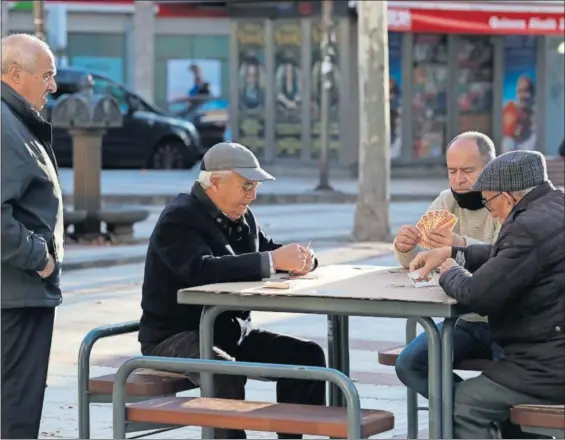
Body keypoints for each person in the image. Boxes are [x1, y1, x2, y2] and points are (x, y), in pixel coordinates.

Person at [139, 142, 326, 439]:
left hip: (231, 332)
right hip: (175, 336)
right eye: (246, 186)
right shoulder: (178, 217)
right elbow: (201, 270)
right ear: (215, 182)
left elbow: (269, 251)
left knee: (307, 356)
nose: (252, 195)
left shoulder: (243, 216)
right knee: (225, 372)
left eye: (255, 187)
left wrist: (305, 259)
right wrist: (272, 261)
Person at [410, 150, 565, 439]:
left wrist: (449, 271)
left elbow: (476, 295)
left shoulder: (525, 228)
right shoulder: (554, 207)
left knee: (466, 401)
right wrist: (455, 252)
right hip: (549, 350)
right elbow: (507, 256)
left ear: (509, 197)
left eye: (489, 200)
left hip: (546, 366)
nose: (488, 208)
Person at [393, 131, 502, 399]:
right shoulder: (447, 201)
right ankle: (466, 416)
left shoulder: (505, 200)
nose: (458, 180)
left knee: (510, 380)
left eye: (467, 170)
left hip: (508, 322)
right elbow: (418, 261)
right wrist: (405, 247)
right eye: (451, 171)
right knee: (410, 363)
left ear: (490, 167)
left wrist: (461, 244)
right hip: (463, 320)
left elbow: (510, 257)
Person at [1, 34, 63, 439]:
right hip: (16, 294)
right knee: (14, 413)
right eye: (47, 76)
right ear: (15, 74)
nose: (53, 86)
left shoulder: (15, 121)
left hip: (18, 292)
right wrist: (38, 257)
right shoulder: (6, 126)